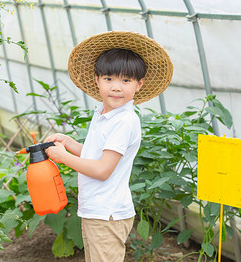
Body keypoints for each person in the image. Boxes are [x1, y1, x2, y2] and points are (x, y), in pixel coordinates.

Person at [45, 31, 173, 261]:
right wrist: (71, 144)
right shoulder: (106, 114)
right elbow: (97, 157)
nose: (116, 87)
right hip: (97, 211)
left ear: (139, 84)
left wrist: (62, 157)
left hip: (107, 214)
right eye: (109, 79)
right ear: (97, 79)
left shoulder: (123, 121)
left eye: (126, 80)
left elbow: (103, 170)